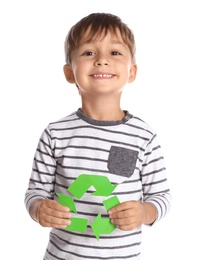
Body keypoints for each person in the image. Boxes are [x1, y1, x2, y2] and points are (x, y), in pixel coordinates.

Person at [24, 12, 172, 259]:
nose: (102, 60)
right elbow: (35, 192)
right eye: (88, 53)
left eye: (115, 53)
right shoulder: (55, 134)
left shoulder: (143, 136)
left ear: (132, 72)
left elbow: (161, 196)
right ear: (70, 73)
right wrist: (39, 208)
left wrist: (145, 213)